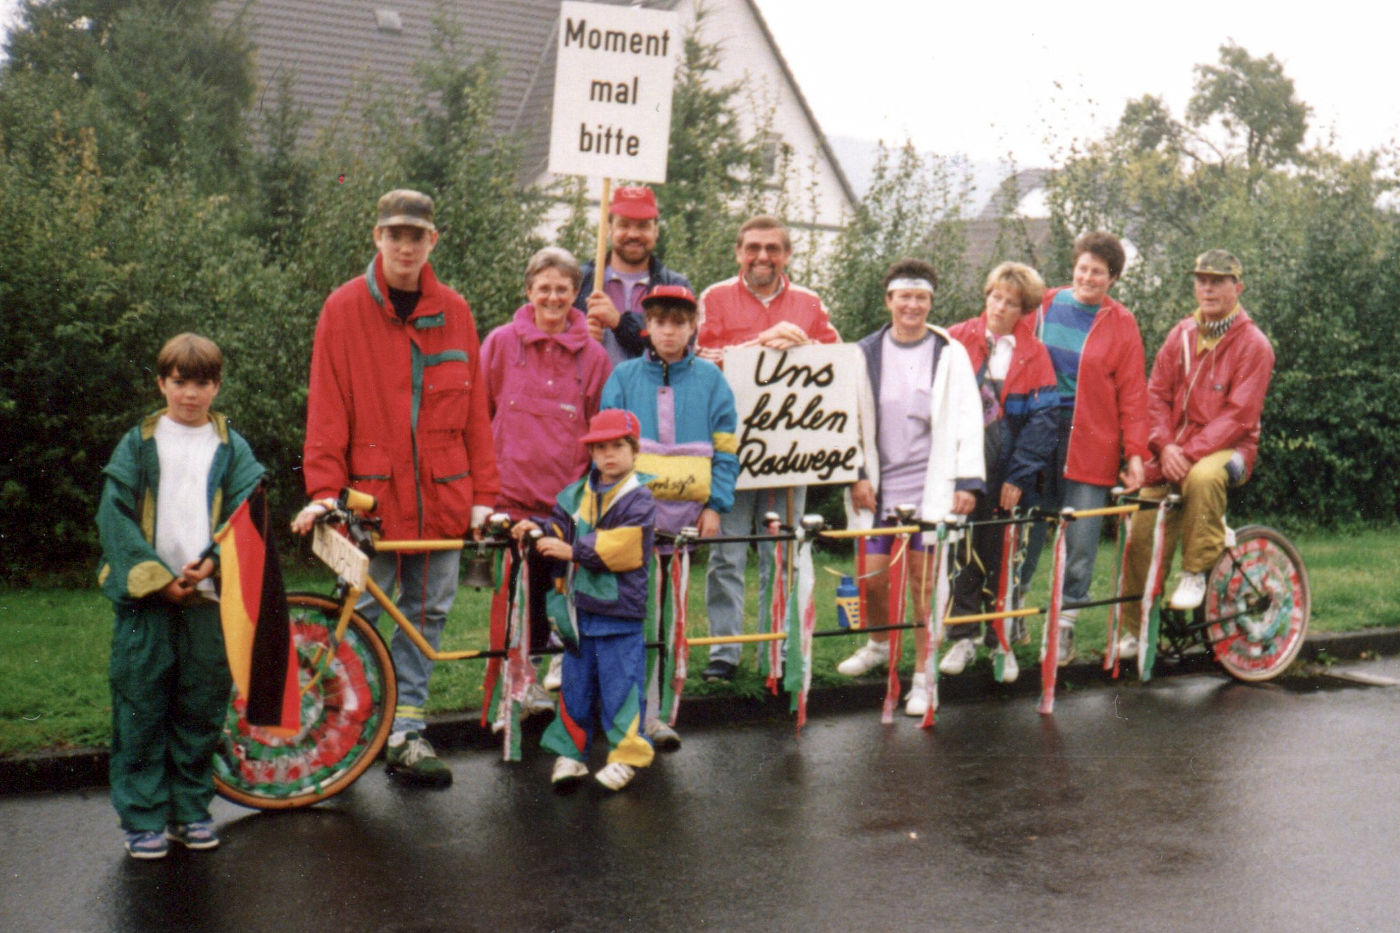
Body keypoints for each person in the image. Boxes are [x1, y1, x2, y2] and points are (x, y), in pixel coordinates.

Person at [293, 189, 500, 787]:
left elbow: (474, 418)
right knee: (358, 613)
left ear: (432, 241)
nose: (406, 245)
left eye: (417, 236)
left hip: (443, 499)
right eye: (395, 234)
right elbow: (327, 408)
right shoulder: (343, 308)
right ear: (377, 238)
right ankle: (345, 728)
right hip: (370, 505)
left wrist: (484, 496)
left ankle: (407, 731)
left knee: (426, 614)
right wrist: (325, 491)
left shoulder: (455, 310)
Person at [97, 333, 265, 859]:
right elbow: (114, 515)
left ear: (216, 386)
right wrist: (155, 577)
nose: (189, 394)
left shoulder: (231, 446)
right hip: (148, 599)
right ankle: (143, 818)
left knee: (200, 708)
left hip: (208, 599)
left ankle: (190, 809)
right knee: (141, 706)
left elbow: (248, 512)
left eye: (201, 383)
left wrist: (212, 561)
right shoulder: (139, 442)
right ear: (161, 383)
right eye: (178, 382)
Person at [833, 259, 984, 716]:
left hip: (931, 485)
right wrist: (857, 472)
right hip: (880, 484)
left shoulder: (948, 351)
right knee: (873, 577)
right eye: (904, 297)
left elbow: (966, 417)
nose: (912, 305)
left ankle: (923, 676)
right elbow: (848, 420)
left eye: (921, 298)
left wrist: (966, 482)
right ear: (889, 301)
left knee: (923, 584)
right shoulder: (865, 352)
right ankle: (878, 644)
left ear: (930, 303)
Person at [695, 215, 841, 681]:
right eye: (753, 248)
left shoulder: (808, 302)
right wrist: (758, 345)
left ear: (787, 254)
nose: (763, 257)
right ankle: (726, 651)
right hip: (731, 449)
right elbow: (698, 359)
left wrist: (804, 343)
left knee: (781, 555)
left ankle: (777, 650)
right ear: (738, 252)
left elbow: (836, 359)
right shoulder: (715, 298)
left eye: (773, 248)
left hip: (786, 452)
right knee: (727, 554)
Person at [600, 283, 739, 747]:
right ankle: (620, 712)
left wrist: (716, 505)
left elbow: (725, 449)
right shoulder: (622, 378)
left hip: (684, 522)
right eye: (659, 322)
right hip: (633, 521)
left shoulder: (712, 380)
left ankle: (654, 714)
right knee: (627, 615)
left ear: (693, 325)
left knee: (665, 618)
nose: (669, 331)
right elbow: (607, 451)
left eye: (679, 322)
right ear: (647, 326)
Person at [1119, 250, 1275, 656]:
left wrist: (1184, 454)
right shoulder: (1181, 334)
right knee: (1141, 525)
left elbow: (1240, 416)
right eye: (1202, 279)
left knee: (1204, 477)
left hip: (1232, 451)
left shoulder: (1254, 344)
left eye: (1218, 280)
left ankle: (1195, 571)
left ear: (1237, 288)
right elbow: (1156, 397)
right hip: (1175, 451)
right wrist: (1165, 446)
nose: (1207, 287)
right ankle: (1135, 630)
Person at [482, 246, 612, 712]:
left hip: (564, 505)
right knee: (519, 602)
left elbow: (601, 430)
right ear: (528, 291)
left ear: (575, 294)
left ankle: (563, 678)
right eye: (544, 289)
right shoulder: (499, 343)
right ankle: (515, 689)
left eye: (563, 289)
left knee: (563, 599)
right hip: (511, 501)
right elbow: (481, 415)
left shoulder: (594, 358)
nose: (553, 298)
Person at [1020, 231, 1149, 663]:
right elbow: (999, 333)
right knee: (1029, 525)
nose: (1088, 277)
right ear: (1073, 266)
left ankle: (1065, 626)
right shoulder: (1043, 304)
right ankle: (1014, 611)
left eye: (1099, 271)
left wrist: (1134, 454)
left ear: (1112, 278)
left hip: (1091, 437)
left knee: (1081, 537)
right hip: (1038, 431)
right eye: (1083, 267)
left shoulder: (1121, 322)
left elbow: (1133, 393)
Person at [513, 409, 657, 792]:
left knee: (621, 689)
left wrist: (571, 550)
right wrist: (536, 527)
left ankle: (626, 756)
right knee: (575, 687)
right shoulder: (577, 492)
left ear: (634, 450)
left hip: (619, 614)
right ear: (591, 453)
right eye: (600, 448)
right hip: (579, 613)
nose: (609, 455)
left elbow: (624, 548)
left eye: (618, 446)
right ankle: (571, 754)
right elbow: (558, 525)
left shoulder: (639, 497)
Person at [942, 263, 1060, 680]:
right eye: (996, 297)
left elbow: (1045, 420)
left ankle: (1001, 642)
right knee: (962, 552)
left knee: (1006, 555)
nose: (1000, 307)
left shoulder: (1035, 353)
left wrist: (1018, 476)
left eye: (1011, 303)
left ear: (1024, 310)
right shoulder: (955, 338)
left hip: (1010, 474)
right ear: (986, 295)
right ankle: (962, 637)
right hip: (963, 473)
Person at [575, 185, 692, 365]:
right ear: (609, 229)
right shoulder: (579, 281)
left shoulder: (676, 286)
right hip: (590, 391)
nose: (633, 234)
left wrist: (619, 324)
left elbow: (681, 354)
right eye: (624, 225)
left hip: (651, 391)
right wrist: (576, 336)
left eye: (643, 226)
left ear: (656, 231)